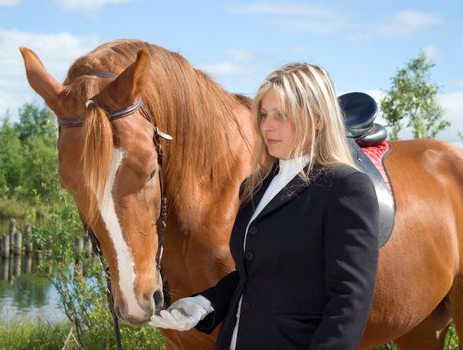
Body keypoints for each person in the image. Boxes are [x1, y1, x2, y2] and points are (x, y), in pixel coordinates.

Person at [149, 63, 380, 350]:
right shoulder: (255, 186)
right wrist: (206, 302)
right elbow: (256, 273)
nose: (267, 126)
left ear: (318, 119)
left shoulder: (345, 188)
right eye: (264, 114)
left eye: (282, 115)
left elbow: (349, 302)